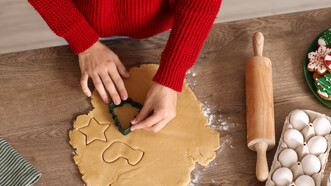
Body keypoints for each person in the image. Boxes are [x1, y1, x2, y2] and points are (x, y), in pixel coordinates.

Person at [29, 0, 222, 132]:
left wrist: (172, 73)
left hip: (166, 25)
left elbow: (201, 4)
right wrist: (81, 39)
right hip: (79, 19)